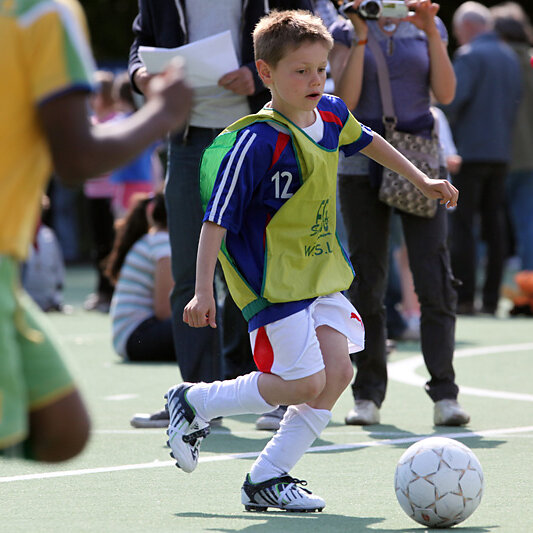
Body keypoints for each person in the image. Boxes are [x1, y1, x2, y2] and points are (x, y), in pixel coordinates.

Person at [164, 9, 458, 512]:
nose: (315, 80)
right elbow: (215, 220)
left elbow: (370, 141)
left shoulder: (332, 114)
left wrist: (421, 178)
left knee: (338, 372)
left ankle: (267, 477)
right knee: (303, 382)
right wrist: (202, 290)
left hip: (319, 272)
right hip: (271, 280)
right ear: (265, 72)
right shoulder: (257, 141)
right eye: (300, 71)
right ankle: (195, 401)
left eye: (321, 69)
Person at [0, 0, 192, 461]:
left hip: (9, 268)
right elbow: (77, 158)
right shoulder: (43, 11)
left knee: (63, 430)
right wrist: (162, 113)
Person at [127, 0, 313, 431]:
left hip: (259, 134)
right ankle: (194, 398)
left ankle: (273, 392)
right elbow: (140, 44)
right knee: (188, 274)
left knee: (264, 270)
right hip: (187, 141)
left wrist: (259, 73)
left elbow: (306, 36)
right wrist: (140, 76)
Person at [331, 0, 470, 426]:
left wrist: (429, 29)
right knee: (367, 280)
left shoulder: (429, 26)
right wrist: (361, 35)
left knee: (434, 277)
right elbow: (346, 103)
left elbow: (445, 94)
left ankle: (445, 393)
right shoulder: (344, 29)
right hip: (360, 165)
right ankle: (367, 395)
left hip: (422, 161)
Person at [440, 1, 522, 315]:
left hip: (469, 153)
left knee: (463, 225)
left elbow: (451, 99)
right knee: (494, 223)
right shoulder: (510, 56)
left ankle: (465, 298)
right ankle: (490, 299)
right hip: (501, 152)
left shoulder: (470, 56)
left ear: (468, 27)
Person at [105, 192, 175, 363]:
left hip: (130, 336)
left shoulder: (154, 239)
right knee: (208, 326)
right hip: (137, 335)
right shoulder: (162, 244)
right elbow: (164, 311)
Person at [490, 2, 533, 275]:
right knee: (528, 220)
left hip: (497, 152)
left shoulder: (496, 59)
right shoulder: (530, 59)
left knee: (489, 220)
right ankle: (529, 280)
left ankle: (488, 281)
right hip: (529, 157)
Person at [83, 70, 118, 313]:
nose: (91, 99)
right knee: (99, 245)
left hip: (112, 195)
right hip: (93, 194)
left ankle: (113, 292)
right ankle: (102, 291)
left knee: (112, 244)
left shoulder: (117, 122)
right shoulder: (90, 123)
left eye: (95, 94)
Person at [109, 72, 164, 218]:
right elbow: (155, 155)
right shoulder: (147, 123)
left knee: (123, 225)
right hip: (146, 183)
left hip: (125, 184)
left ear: (118, 97)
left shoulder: (118, 123)